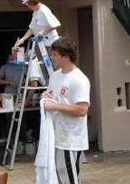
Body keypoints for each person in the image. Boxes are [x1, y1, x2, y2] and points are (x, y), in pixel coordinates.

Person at [40, 37, 90, 184]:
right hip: (57, 137)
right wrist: (46, 96)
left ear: (66, 57)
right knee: (61, 178)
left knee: (69, 179)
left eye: (55, 54)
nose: (51, 57)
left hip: (70, 140)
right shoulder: (55, 76)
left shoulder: (79, 79)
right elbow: (52, 97)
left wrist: (55, 106)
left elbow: (82, 109)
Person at [13, 0, 61, 105]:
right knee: (44, 69)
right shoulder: (35, 12)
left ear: (31, 2)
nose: (27, 7)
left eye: (26, 4)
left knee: (51, 69)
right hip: (41, 44)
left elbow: (55, 24)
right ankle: (51, 89)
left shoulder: (43, 10)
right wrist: (22, 40)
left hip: (49, 44)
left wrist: (42, 32)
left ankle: (56, 90)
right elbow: (31, 29)